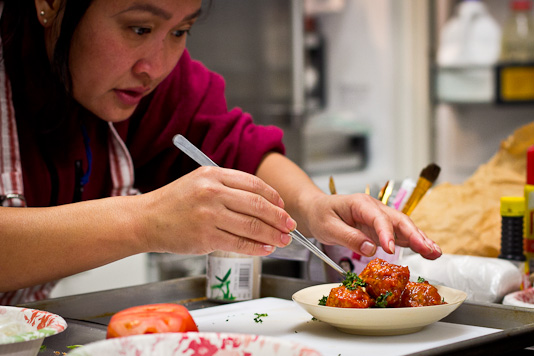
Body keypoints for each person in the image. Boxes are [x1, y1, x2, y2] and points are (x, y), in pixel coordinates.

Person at [0, 0, 441, 305]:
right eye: (139, 28)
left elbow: (237, 151)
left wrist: (312, 206)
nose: (153, 66)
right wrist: (145, 221)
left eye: (180, 30)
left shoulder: (152, 84)